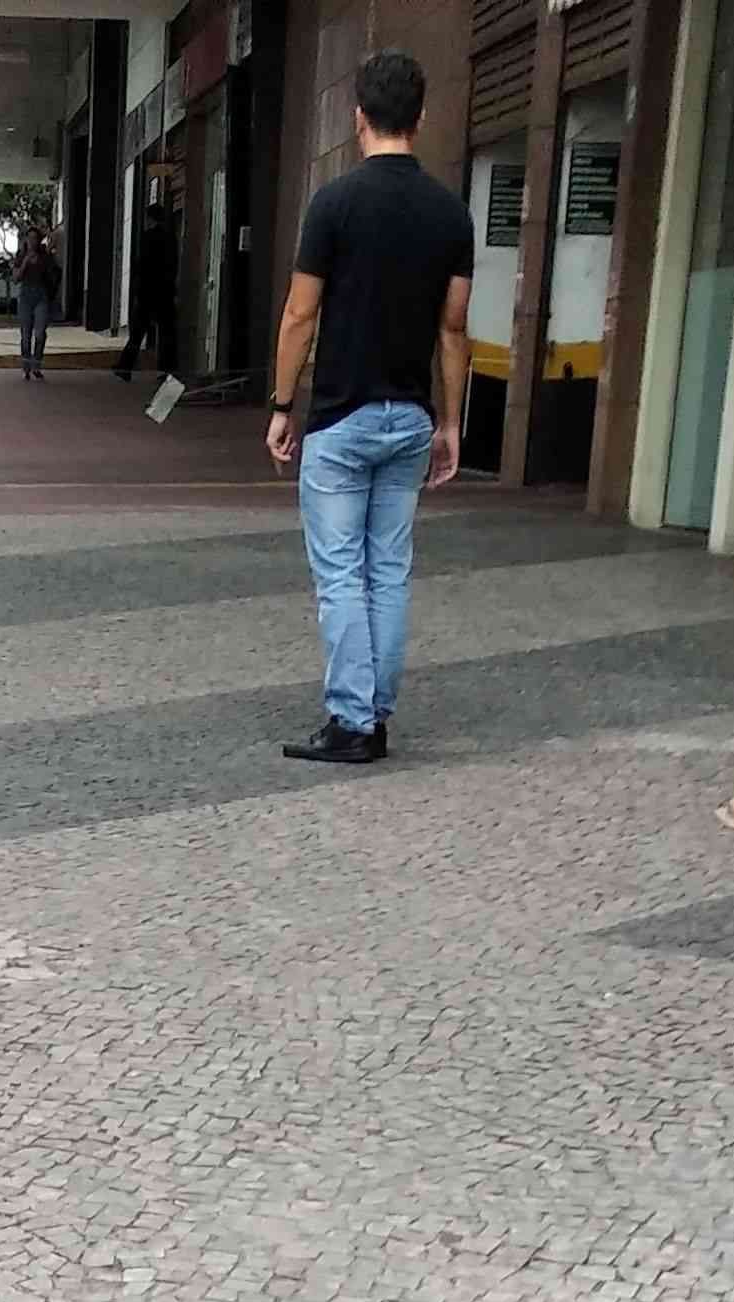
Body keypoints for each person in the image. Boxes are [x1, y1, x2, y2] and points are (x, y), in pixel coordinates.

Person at [262, 49, 472, 766]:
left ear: (358, 117)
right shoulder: (451, 214)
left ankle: (352, 722)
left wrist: (282, 404)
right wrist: (450, 423)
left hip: (341, 417)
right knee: (388, 571)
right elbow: (453, 329)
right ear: (421, 117)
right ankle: (374, 712)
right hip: (410, 418)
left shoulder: (334, 204)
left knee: (340, 576)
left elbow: (300, 314)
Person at [114, 199, 178, 381]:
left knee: (137, 331)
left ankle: (125, 366)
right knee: (167, 332)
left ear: (150, 218)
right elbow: (173, 264)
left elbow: (141, 265)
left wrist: (138, 289)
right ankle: (167, 370)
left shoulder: (147, 237)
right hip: (165, 291)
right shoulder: (170, 237)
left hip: (147, 291)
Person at [14, 219, 60, 384]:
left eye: (35, 238)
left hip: (41, 296)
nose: (32, 241)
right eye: (30, 238)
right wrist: (25, 262)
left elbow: (53, 273)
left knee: (40, 333)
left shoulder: (45, 256)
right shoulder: (21, 255)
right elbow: (16, 278)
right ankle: (26, 366)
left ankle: (37, 364)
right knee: (26, 335)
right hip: (26, 296)